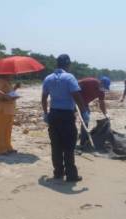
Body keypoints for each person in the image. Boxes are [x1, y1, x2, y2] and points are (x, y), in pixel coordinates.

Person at [41, 54, 89, 182]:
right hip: (66, 115)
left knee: (56, 145)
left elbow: (44, 98)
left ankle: (58, 172)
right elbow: (76, 96)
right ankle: (71, 175)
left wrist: (45, 113)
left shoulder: (48, 78)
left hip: (53, 114)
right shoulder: (69, 77)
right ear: (67, 64)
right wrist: (84, 113)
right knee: (69, 145)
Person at [78, 76, 111, 148]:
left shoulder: (101, 92)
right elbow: (75, 84)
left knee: (86, 119)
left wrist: (106, 114)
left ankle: (82, 140)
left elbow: (101, 103)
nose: (104, 89)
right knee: (70, 119)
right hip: (75, 100)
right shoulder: (91, 81)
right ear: (100, 83)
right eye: (103, 86)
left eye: (105, 87)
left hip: (84, 104)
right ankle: (80, 137)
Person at [0, 75, 19, 155]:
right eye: (11, 73)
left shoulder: (8, 83)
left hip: (9, 109)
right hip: (3, 109)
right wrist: (5, 96)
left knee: (8, 130)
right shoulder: (1, 81)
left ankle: (8, 147)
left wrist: (15, 88)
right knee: (1, 129)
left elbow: (10, 94)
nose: (13, 75)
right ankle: (1, 149)